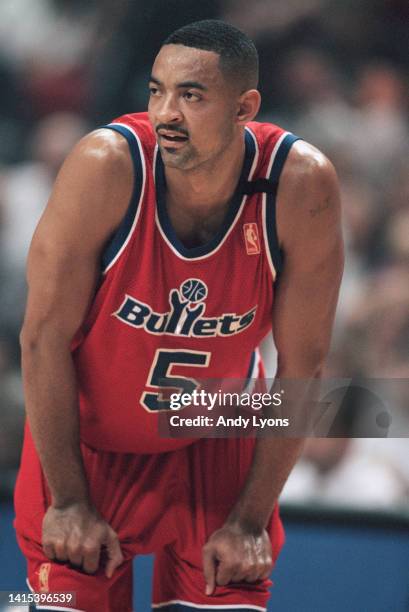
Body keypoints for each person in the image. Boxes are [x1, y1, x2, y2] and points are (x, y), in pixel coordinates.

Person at [15, 19, 343, 612]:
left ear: (245, 107)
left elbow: (305, 366)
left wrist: (249, 518)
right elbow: (41, 339)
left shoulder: (299, 183)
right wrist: (66, 501)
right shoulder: (106, 165)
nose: (167, 111)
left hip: (217, 436)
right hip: (89, 439)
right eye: (156, 90)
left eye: (190, 95)